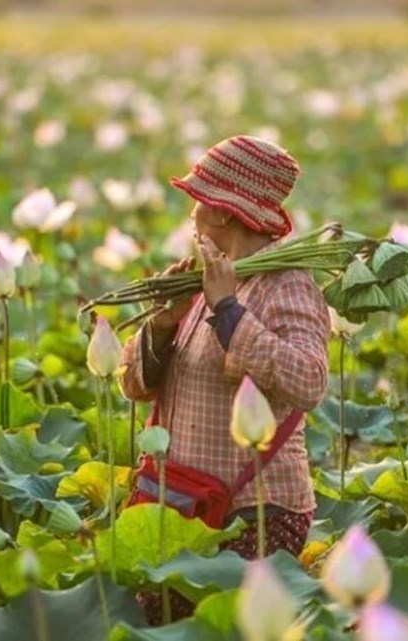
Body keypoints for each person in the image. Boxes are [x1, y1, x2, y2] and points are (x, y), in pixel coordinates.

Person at [118, 135, 330, 624]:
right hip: (184, 500)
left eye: (197, 203)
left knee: (219, 627)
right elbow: (133, 386)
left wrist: (229, 311)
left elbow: (310, 382)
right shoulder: (205, 277)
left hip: (256, 511)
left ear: (221, 214)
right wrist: (166, 322)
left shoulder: (288, 284)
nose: (191, 216)